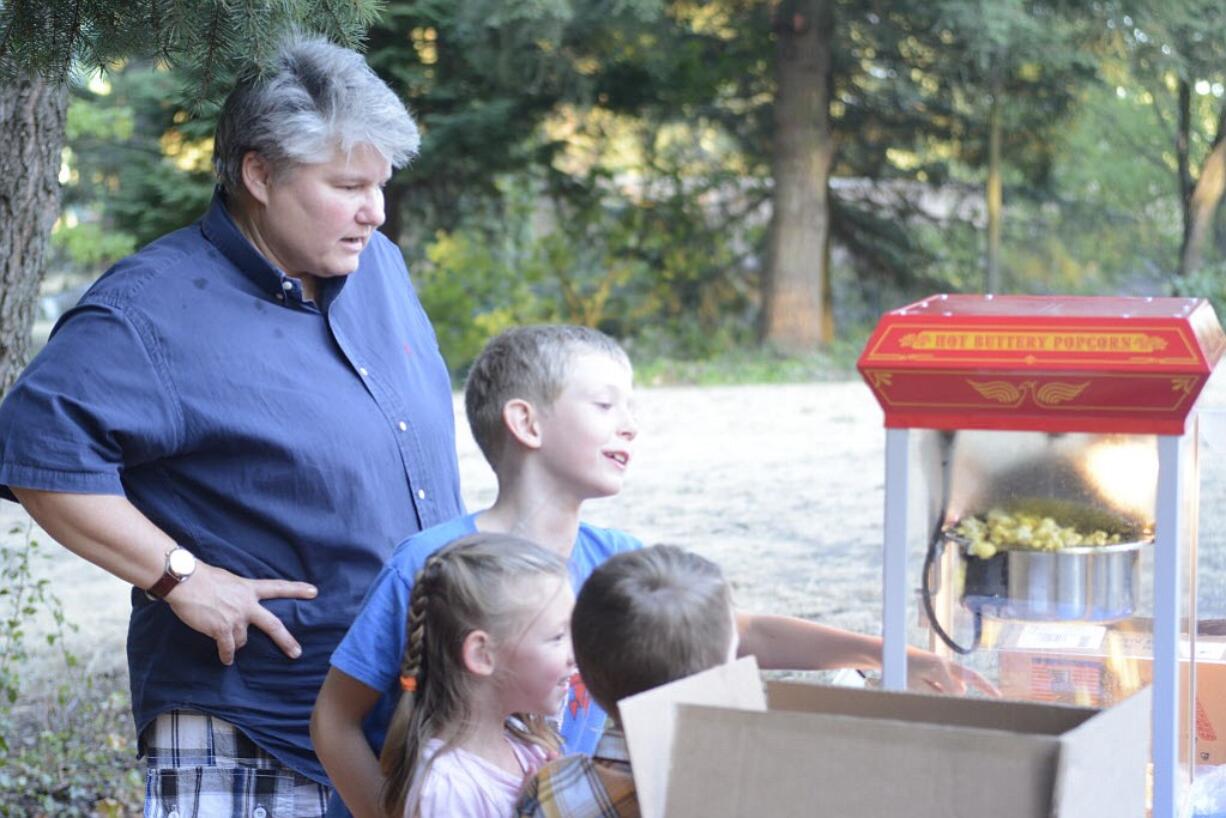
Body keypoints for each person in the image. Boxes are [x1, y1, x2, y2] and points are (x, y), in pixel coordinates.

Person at [0, 35, 463, 817]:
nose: (374, 211)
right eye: (348, 184)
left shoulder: (376, 263)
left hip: (399, 713)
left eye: (380, 184)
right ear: (259, 172)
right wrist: (180, 576)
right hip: (253, 724)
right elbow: (37, 454)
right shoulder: (146, 311)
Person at [312, 324, 992, 818]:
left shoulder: (616, 554)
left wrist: (883, 653)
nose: (631, 425)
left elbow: (736, 629)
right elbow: (336, 722)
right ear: (526, 422)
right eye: (606, 406)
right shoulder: (427, 561)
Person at [516, 544, 737, 818]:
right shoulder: (752, 774)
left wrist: (545, 792)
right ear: (721, 676)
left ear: (584, 675)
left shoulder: (552, 794)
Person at [379, 532, 574, 818]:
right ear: (483, 655)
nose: (574, 655)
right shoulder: (444, 790)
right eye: (557, 637)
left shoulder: (526, 746)